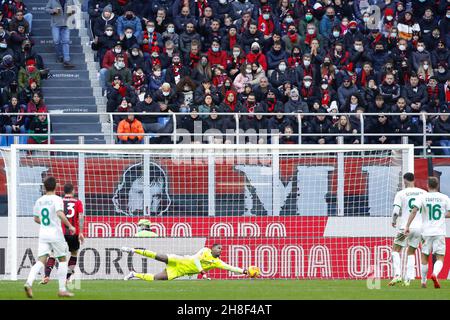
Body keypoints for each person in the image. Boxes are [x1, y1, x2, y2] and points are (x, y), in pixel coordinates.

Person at [23, 176, 76, 298]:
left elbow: (36, 218)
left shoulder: (39, 200)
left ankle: (28, 283)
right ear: (56, 186)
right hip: (56, 235)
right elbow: (59, 213)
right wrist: (70, 226)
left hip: (43, 234)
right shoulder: (57, 199)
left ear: (44, 187)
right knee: (62, 260)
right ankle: (62, 289)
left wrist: (46, 223)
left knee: (41, 261)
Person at [406, 177, 450, 289]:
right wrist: (442, 216)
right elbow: (449, 213)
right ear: (438, 185)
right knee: (440, 257)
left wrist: (407, 225)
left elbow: (414, 210)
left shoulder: (422, 197)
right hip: (439, 232)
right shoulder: (445, 198)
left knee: (424, 257)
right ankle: (435, 274)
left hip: (426, 232)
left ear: (427, 185)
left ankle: (423, 282)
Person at [121, 243, 250, 281]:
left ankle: (133, 274)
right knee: (158, 256)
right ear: (212, 248)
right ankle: (133, 250)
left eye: (221, 249)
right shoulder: (205, 250)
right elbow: (195, 259)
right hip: (179, 260)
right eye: (218, 248)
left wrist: (245, 271)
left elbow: (230, 267)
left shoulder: (217, 262)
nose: (220, 250)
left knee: (156, 278)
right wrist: (202, 272)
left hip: (179, 271)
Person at [41, 182, 85, 284]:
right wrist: (81, 232)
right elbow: (81, 218)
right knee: (74, 254)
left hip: (59, 233)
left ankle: (46, 276)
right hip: (73, 232)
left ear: (64, 191)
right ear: (73, 191)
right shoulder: (78, 202)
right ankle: (67, 278)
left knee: (52, 254)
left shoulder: (58, 201)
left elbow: (53, 216)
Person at [388, 172, 426, 287]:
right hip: (420, 228)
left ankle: (397, 275)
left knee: (395, 250)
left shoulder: (401, 193)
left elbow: (395, 211)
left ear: (405, 180)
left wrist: (394, 221)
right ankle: (408, 279)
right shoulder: (423, 193)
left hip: (405, 227)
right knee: (411, 251)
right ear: (414, 179)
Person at [45, 0, 76, 68]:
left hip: (66, 24)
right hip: (56, 24)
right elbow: (46, 9)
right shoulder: (52, 1)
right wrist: (53, 10)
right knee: (56, 41)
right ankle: (60, 56)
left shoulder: (70, 1)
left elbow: (74, 10)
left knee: (66, 41)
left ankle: (66, 60)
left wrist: (71, 11)